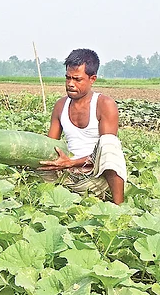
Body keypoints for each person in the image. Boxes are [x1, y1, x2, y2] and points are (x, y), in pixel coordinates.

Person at [39, 49, 127, 204]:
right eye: (67, 78)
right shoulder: (60, 105)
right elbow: (50, 145)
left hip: (97, 176)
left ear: (92, 79)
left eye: (77, 79)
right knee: (33, 166)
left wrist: (72, 162)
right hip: (67, 174)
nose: (70, 84)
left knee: (109, 143)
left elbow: (107, 153)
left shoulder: (104, 104)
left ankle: (118, 205)